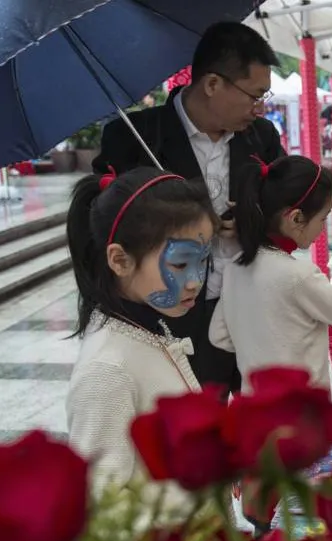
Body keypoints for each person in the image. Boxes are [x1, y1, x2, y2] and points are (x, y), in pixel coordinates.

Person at [92, 22, 285, 398]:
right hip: (176, 317)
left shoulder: (262, 138)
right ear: (213, 84)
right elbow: (103, 229)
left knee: (264, 430)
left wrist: (251, 222)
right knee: (197, 433)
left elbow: (286, 212)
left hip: (252, 309)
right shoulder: (134, 139)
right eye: (254, 95)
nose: (259, 107)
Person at [65, 167, 218, 496]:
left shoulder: (147, 324)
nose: (195, 281)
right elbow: (101, 514)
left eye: (203, 261)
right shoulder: (106, 372)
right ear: (120, 260)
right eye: (180, 264)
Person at [209, 156, 332, 396]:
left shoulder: (235, 269)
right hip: (301, 413)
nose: (322, 228)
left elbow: (219, 336)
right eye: (323, 218)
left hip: (256, 413)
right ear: (296, 218)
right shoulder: (299, 275)